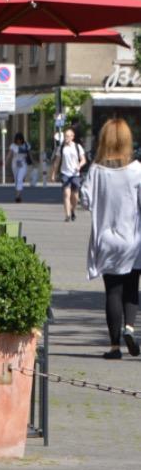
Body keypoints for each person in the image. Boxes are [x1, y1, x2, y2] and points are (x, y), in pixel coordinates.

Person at [80, 118, 141, 359]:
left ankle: (114, 347)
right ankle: (130, 327)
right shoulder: (137, 170)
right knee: (131, 289)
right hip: (133, 238)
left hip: (106, 239)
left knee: (112, 292)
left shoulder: (96, 170)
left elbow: (85, 200)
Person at [50, 126, 87, 222]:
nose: (66, 138)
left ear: (72, 137)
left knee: (75, 196)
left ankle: (73, 210)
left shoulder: (77, 147)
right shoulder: (61, 148)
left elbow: (83, 160)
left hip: (75, 174)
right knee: (66, 194)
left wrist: (79, 165)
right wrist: (53, 174)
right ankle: (67, 215)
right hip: (65, 173)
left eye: (68, 136)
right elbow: (57, 162)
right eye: (65, 136)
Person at [8, 132, 32, 202]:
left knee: (19, 179)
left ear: (22, 139)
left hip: (23, 164)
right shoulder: (13, 146)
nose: (18, 141)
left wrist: (32, 162)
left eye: (20, 139)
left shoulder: (26, 145)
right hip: (15, 164)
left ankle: (17, 196)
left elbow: (30, 154)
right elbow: (9, 155)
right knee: (16, 180)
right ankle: (19, 195)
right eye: (17, 140)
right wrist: (5, 162)